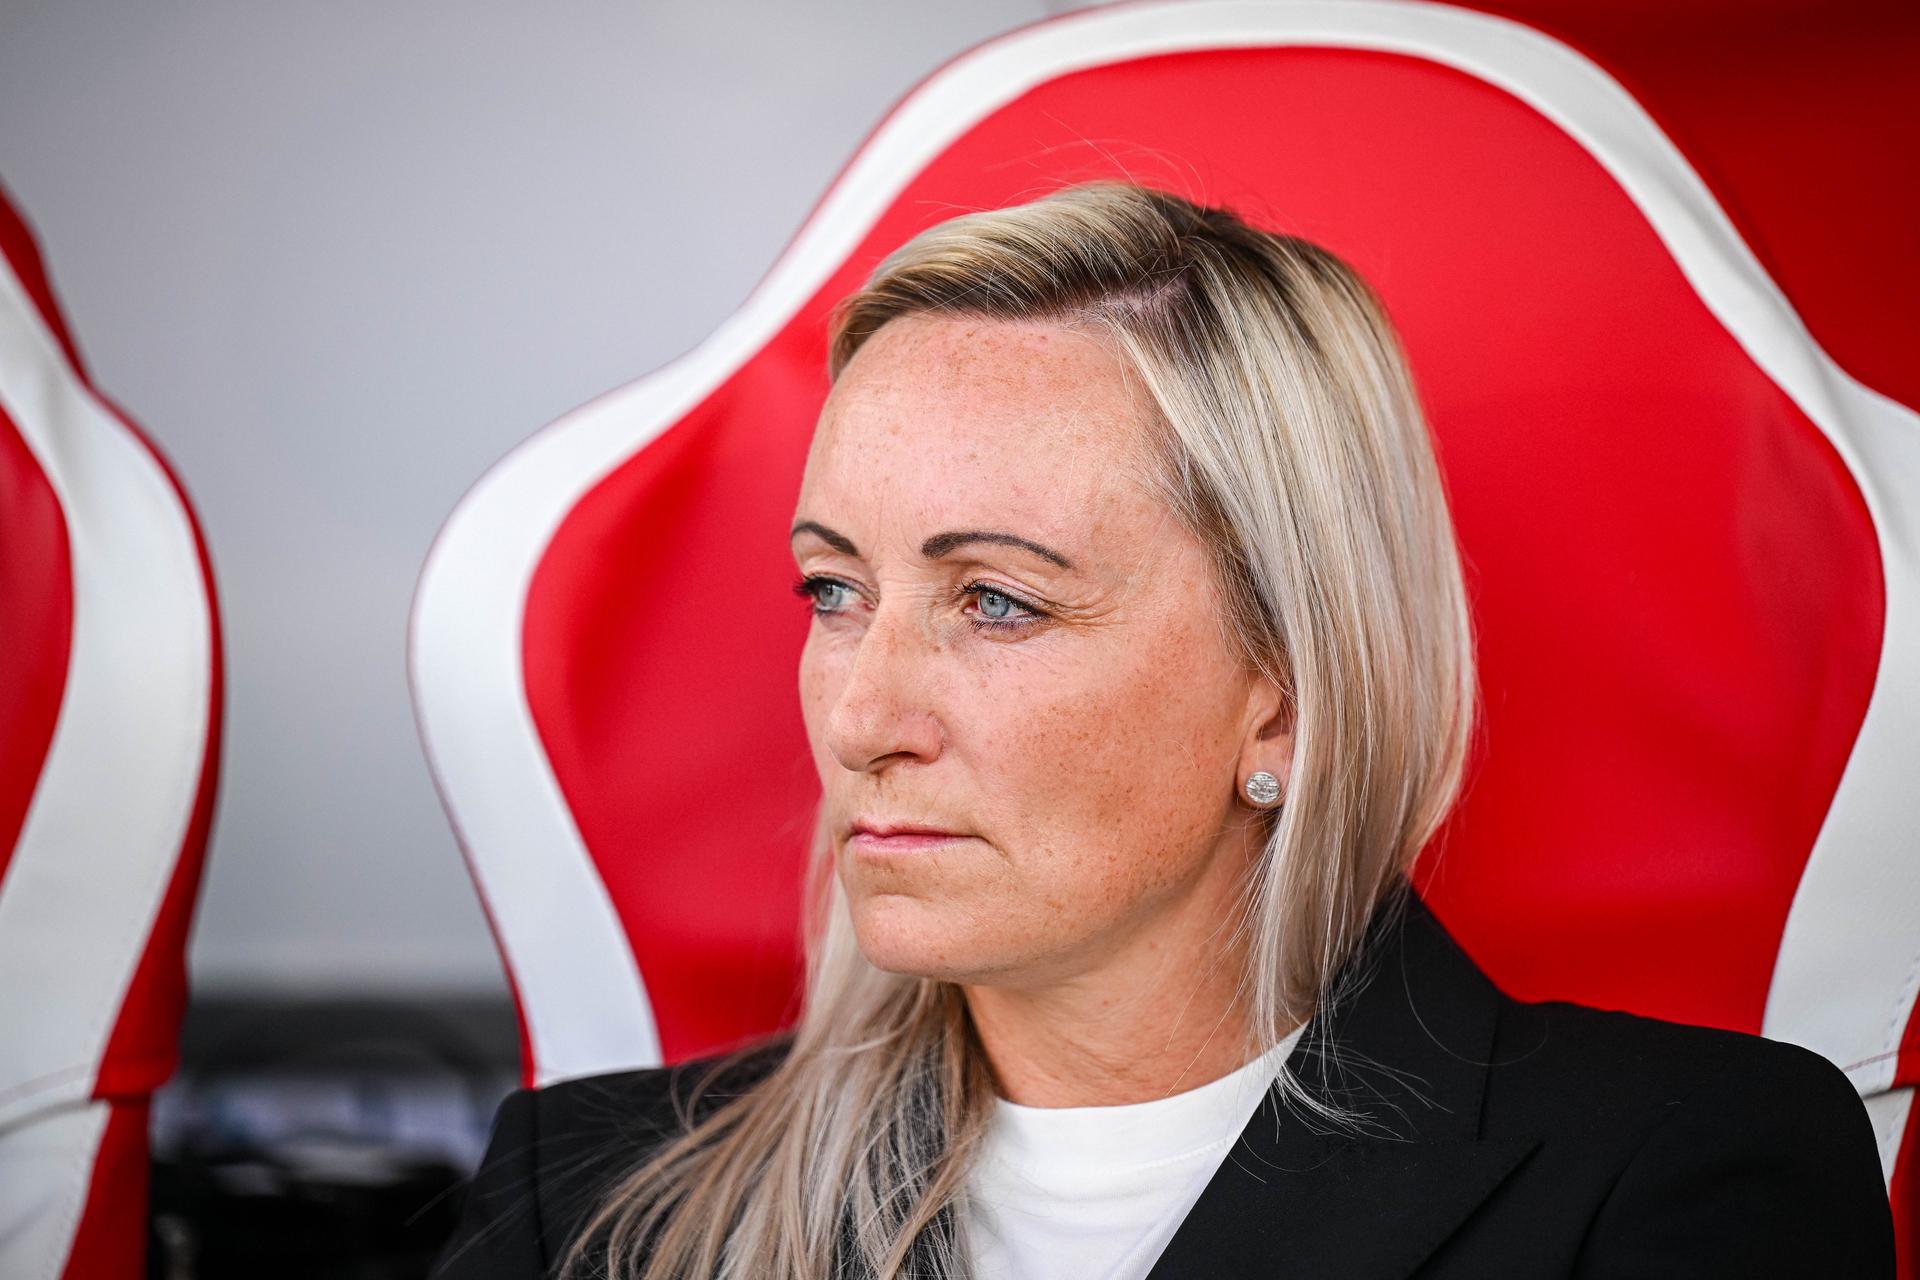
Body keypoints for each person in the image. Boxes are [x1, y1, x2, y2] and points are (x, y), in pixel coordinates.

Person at [428, 181, 1894, 1279]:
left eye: (996, 602)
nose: (861, 717)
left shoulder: (1676, 1177)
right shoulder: (590, 1201)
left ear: (1290, 695)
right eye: (833, 590)